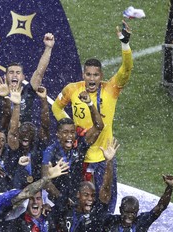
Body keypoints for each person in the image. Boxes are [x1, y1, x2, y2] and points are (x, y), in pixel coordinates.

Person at [52, 21, 133, 212]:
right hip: (80, 156)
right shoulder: (72, 89)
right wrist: (69, 128)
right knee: (79, 197)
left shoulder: (111, 89)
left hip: (104, 155)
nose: (91, 79)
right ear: (83, 74)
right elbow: (56, 107)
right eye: (88, 74)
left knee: (106, 197)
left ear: (101, 76)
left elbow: (126, 69)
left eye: (95, 75)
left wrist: (125, 44)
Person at [43, 91, 103, 204]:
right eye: (65, 132)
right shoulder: (51, 151)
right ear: (58, 134)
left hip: (76, 200)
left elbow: (99, 126)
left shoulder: (80, 145)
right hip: (55, 202)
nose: (69, 136)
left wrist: (90, 104)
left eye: (72, 132)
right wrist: (63, 200)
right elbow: (45, 181)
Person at [0, 32, 55, 129]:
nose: (14, 75)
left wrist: (48, 48)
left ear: (23, 77)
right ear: (5, 77)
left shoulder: (28, 91)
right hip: (3, 136)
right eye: (11, 72)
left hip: (24, 135)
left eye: (18, 73)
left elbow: (40, 73)